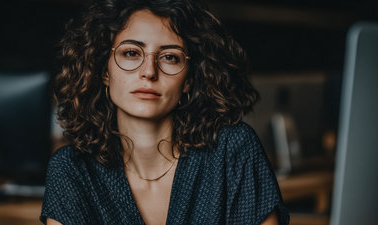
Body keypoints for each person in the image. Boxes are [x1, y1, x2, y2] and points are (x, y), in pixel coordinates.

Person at [40, 0, 289, 224]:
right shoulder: (72, 168)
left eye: (170, 57)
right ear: (104, 71)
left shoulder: (232, 151)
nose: (149, 71)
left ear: (189, 79)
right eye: (131, 53)